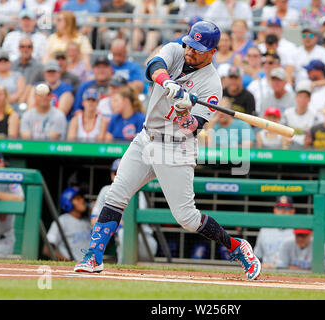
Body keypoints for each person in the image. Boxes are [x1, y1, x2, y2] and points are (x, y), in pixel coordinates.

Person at [74, 21, 262, 280]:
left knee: (186, 218)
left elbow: (193, 128)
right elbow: (153, 66)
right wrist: (168, 83)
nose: (190, 51)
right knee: (115, 194)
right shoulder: (175, 50)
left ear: (212, 52)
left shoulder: (211, 86)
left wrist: (184, 109)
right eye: (190, 45)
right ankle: (93, 257)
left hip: (175, 146)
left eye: (197, 49)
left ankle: (237, 247)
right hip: (146, 137)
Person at [91, 159, 158, 263]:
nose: (118, 176)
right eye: (115, 173)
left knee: (123, 232)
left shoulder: (138, 191)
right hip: (123, 245)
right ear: (111, 175)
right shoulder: (106, 190)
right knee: (108, 232)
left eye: (121, 172)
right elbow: (94, 220)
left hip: (144, 241)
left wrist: (113, 224)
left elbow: (133, 223)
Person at [43, 187, 91, 262]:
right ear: (67, 202)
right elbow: (47, 250)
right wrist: (69, 262)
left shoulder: (88, 221)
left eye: (82, 198)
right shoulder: (62, 221)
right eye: (77, 199)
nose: (82, 200)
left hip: (88, 266)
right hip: (72, 267)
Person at [254, 195, 295, 269]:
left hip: (291, 272)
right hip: (267, 271)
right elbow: (256, 256)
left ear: (292, 211)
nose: (283, 211)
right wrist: (260, 265)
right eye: (280, 208)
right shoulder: (264, 230)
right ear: (275, 210)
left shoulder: (298, 232)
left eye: (286, 208)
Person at [282, 81, 317, 148]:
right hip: (289, 146)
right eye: (300, 96)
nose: (302, 99)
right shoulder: (287, 113)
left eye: (305, 97)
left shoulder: (314, 115)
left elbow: (311, 138)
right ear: (296, 97)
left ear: (309, 99)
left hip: (306, 148)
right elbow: (283, 133)